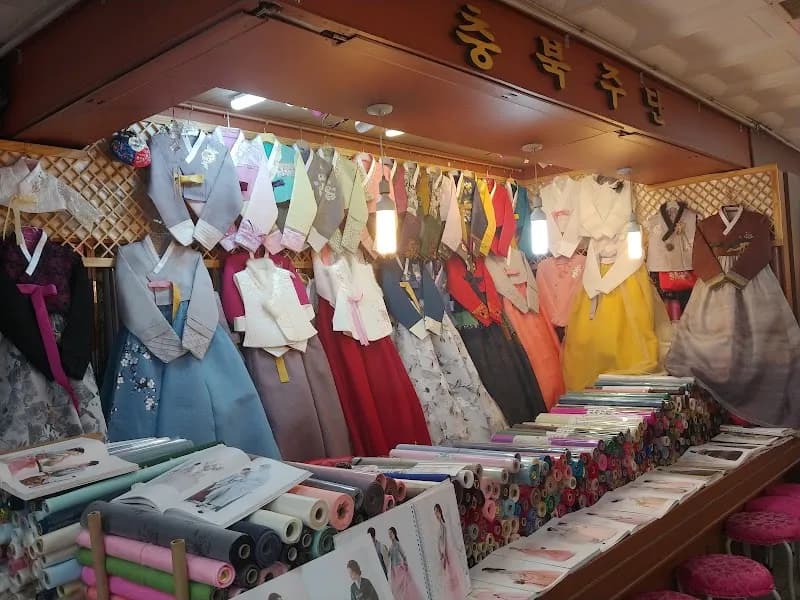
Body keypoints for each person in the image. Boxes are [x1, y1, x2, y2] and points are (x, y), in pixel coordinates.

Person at [434, 503, 464, 597]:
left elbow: (444, 540)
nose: (436, 514)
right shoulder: (441, 525)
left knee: (450, 572)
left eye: (437, 511)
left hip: (447, 552)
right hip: (444, 552)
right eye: (435, 512)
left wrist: (443, 552)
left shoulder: (443, 525)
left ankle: (455, 593)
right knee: (448, 573)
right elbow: (440, 542)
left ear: (440, 512)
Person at [387, 527, 423, 600]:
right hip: (394, 571)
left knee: (405, 589)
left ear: (394, 533)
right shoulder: (390, 547)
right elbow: (389, 559)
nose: (390, 535)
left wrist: (405, 566)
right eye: (389, 534)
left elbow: (404, 555)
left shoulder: (397, 544)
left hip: (400, 570)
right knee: (398, 590)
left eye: (391, 533)